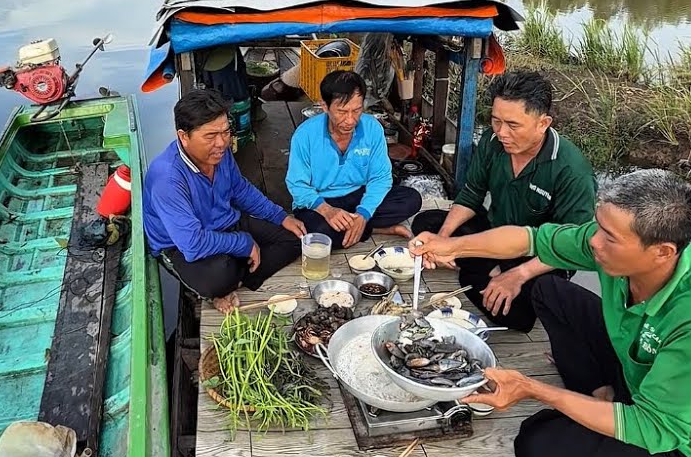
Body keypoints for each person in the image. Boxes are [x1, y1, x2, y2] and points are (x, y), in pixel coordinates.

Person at [408, 169, 691, 457]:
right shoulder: (614, 245)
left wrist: (532, 389)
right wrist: (451, 245)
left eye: (609, 237)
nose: (594, 242)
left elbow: (657, 428)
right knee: (548, 291)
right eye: (597, 226)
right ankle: (603, 396)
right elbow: (530, 240)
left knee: (535, 445)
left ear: (662, 252)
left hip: (683, 442)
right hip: (638, 368)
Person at [411, 70, 596, 332]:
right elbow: (472, 194)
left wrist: (517, 274)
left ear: (543, 123)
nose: (501, 133)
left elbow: (573, 245)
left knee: (515, 315)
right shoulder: (491, 141)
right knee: (427, 222)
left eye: (513, 125)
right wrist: (443, 238)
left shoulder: (571, 170)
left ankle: (482, 268)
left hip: (540, 254)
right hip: (496, 234)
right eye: (496, 121)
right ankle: (478, 265)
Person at [144, 89, 307, 314]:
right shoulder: (168, 178)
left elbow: (240, 190)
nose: (221, 142)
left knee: (295, 237)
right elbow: (192, 244)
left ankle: (235, 282)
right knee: (218, 276)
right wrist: (243, 243)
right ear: (183, 136)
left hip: (225, 222)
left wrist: (280, 216)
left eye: (225, 132)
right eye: (210, 136)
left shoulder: (219, 152)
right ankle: (229, 279)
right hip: (180, 246)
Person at [286, 70, 422, 249]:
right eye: (342, 112)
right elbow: (297, 184)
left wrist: (364, 213)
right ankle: (374, 229)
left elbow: (380, 177)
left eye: (357, 110)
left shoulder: (372, 128)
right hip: (320, 201)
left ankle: (359, 224)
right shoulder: (305, 135)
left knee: (411, 199)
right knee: (317, 234)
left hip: (358, 195)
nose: (350, 120)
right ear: (325, 107)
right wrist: (327, 210)